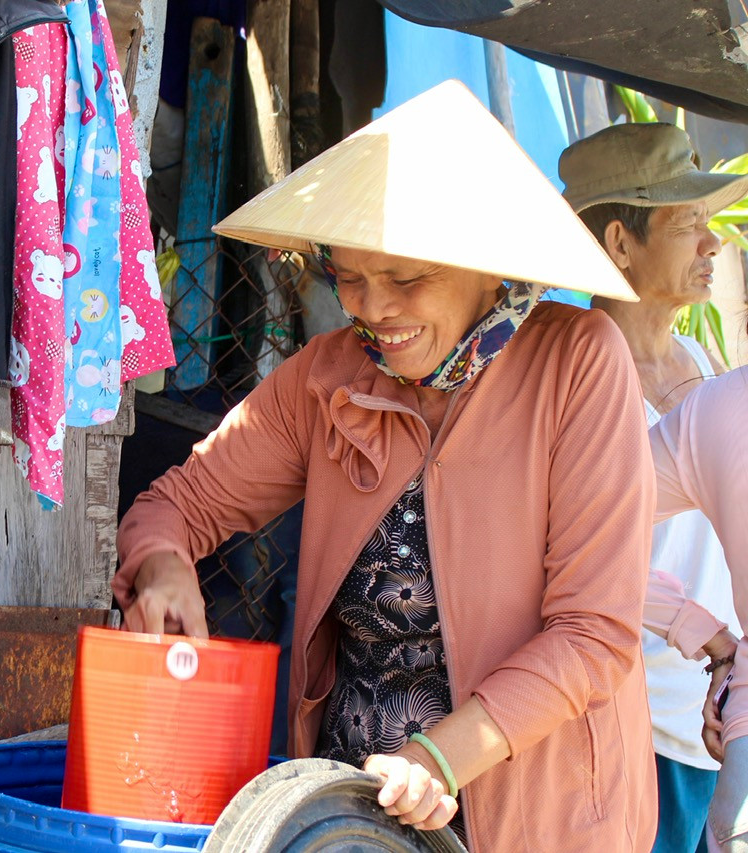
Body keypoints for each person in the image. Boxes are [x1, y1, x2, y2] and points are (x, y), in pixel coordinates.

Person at [113, 80, 658, 850]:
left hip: (545, 815)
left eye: (406, 279)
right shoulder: (326, 376)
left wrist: (442, 755)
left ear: (490, 266)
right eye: (350, 276)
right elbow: (180, 503)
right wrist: (161, 561)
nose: (374, 308)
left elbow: (593, 633)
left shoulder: (578, 361)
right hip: (358, 821)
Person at [559, 121, 748, 853]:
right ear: (619, 243)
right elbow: (574, 545)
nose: (713, 245)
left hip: (713, 714)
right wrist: (702, 632)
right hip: (627, 724)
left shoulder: (704, 361)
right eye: (689, 224)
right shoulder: (575, 380)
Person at [648, 368, 748, 850]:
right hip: (662, 713)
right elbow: (577, 525)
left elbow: (581, 523)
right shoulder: (723, 404)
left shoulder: (721, 400)